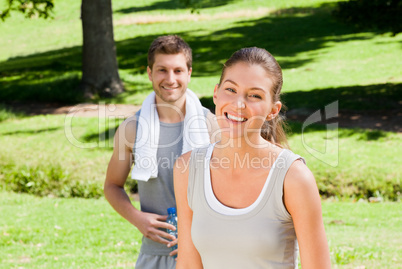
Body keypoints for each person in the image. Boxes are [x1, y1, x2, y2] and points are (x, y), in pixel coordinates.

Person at [174, 47, 331, 269]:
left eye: (255, 95)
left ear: (273, 110)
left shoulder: (293, 177)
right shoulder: (188, 168)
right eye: (231, 89)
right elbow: (188, 264)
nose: (239, 104)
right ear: (216, 93)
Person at [104, 35, 220, 269]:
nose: (170, 79)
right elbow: (112, 186)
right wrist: (137, 218)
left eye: (178, 70)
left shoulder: (212, 126)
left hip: (205, 253)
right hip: (154, 254)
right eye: (162, 70)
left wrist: (200, 234)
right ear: (149, 73)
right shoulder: (131, 128)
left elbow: (230, 192)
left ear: (189, 73)